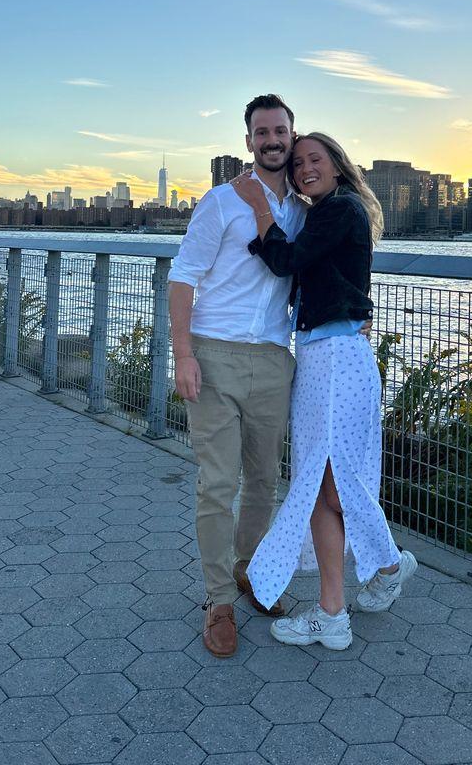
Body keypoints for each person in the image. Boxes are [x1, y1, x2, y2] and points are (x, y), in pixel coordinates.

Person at [231, 132, 417, 650]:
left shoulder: (340, 209)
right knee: (324, 485)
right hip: (323, 356)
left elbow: (286, 261)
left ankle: (358, 590)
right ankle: (368, 579)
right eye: (298, 164)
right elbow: (323, 277)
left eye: (315, 159)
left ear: (337, 164)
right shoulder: (329, 213)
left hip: (335, 359)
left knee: (326, 484)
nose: (305, 168)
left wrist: (256, 208)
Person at [168, 94, 306, 658]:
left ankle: (251, 575)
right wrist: (183, 355)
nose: (272, 140)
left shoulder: (304, 211)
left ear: (291, 138)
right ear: (248, 141)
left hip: (275, 358)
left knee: (263, 481)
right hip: (215, 353)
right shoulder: (220, 202)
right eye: (262, 132)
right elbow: (182, 278)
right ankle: (218, 600)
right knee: (217, 484)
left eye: (281, 131)